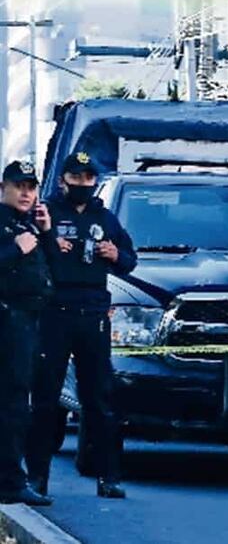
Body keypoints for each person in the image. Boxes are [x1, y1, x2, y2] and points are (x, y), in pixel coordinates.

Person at [26, 152, 136, 500]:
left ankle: (109, 477)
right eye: (76, 178)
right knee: (45, 399)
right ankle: (37, 477)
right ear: (63, 180)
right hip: (54, 312)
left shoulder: (104, 217)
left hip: (92, 314)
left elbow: (129, 261)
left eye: (88, 178)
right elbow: (25, 253)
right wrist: (48, 241)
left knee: (99, 400)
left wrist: (114, 255)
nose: (82, 184)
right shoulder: (46, 213)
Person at [0, 161, 54, 506]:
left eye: (31, 187)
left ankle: (12, 478)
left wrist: (45, 234)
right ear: (3, 188)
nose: (26, 193)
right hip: (7, 320)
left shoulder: (29, 224)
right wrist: (14, 248)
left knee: (18, 404)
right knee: (11, 405)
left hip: (28, 323)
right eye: (19, 186)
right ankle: (9, 483)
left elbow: (52, 271)